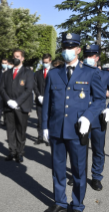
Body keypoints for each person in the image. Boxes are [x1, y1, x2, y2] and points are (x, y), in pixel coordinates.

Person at [42, 33, 105, 212]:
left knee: (78, 171)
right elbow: (47, 102)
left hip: (78, 130)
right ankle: (60, 202)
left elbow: (100, 100)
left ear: (78, 49)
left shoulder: (90, 72)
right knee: (58, 169)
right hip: (56, 129)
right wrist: (45, 126)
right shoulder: (54, 74)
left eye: (71, 47)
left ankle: (77, 204)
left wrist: (87, 117)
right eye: (65, 47)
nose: (67, 51)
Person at [67, 44, 109, 192]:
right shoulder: (78, 73)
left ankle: (96, 176)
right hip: (80, 117)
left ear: (98, 58)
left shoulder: (106, 74)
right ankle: (78, 174)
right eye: (87, 56)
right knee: (79, 149)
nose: (89, 59)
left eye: (92, 56)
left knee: (98, 149)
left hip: (98, 118)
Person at [0, 49, 34, 163]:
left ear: (22, 58)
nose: (15, 58)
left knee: (20, 130)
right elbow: (1, 88)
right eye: (14, 56)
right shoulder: (7, 73)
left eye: (18, 56)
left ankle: (20, 153)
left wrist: (17, 102)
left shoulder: (28, 72)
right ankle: (12, 151)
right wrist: (8, 100)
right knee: (10, 130)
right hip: (9, 106)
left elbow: (28, 90)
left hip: (21, 106)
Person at [33, 53, 52, 145]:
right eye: (44, 62)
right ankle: (40, 137)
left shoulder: (54, 72)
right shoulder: (38, 73)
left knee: (49, 119)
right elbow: (34, 85)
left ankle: (49, 138)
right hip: (39, 100)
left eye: (46, 62)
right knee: (40, 120)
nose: (45, 64)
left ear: (50, 61)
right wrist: (38, 95)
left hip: (51, 101)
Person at [0, 58, 9, 128]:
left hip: (7, 93)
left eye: (5, 63)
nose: (4, 64)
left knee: (6, 108)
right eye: (3, 63)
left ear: (7, 63)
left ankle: (6, 122)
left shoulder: (10, 72)